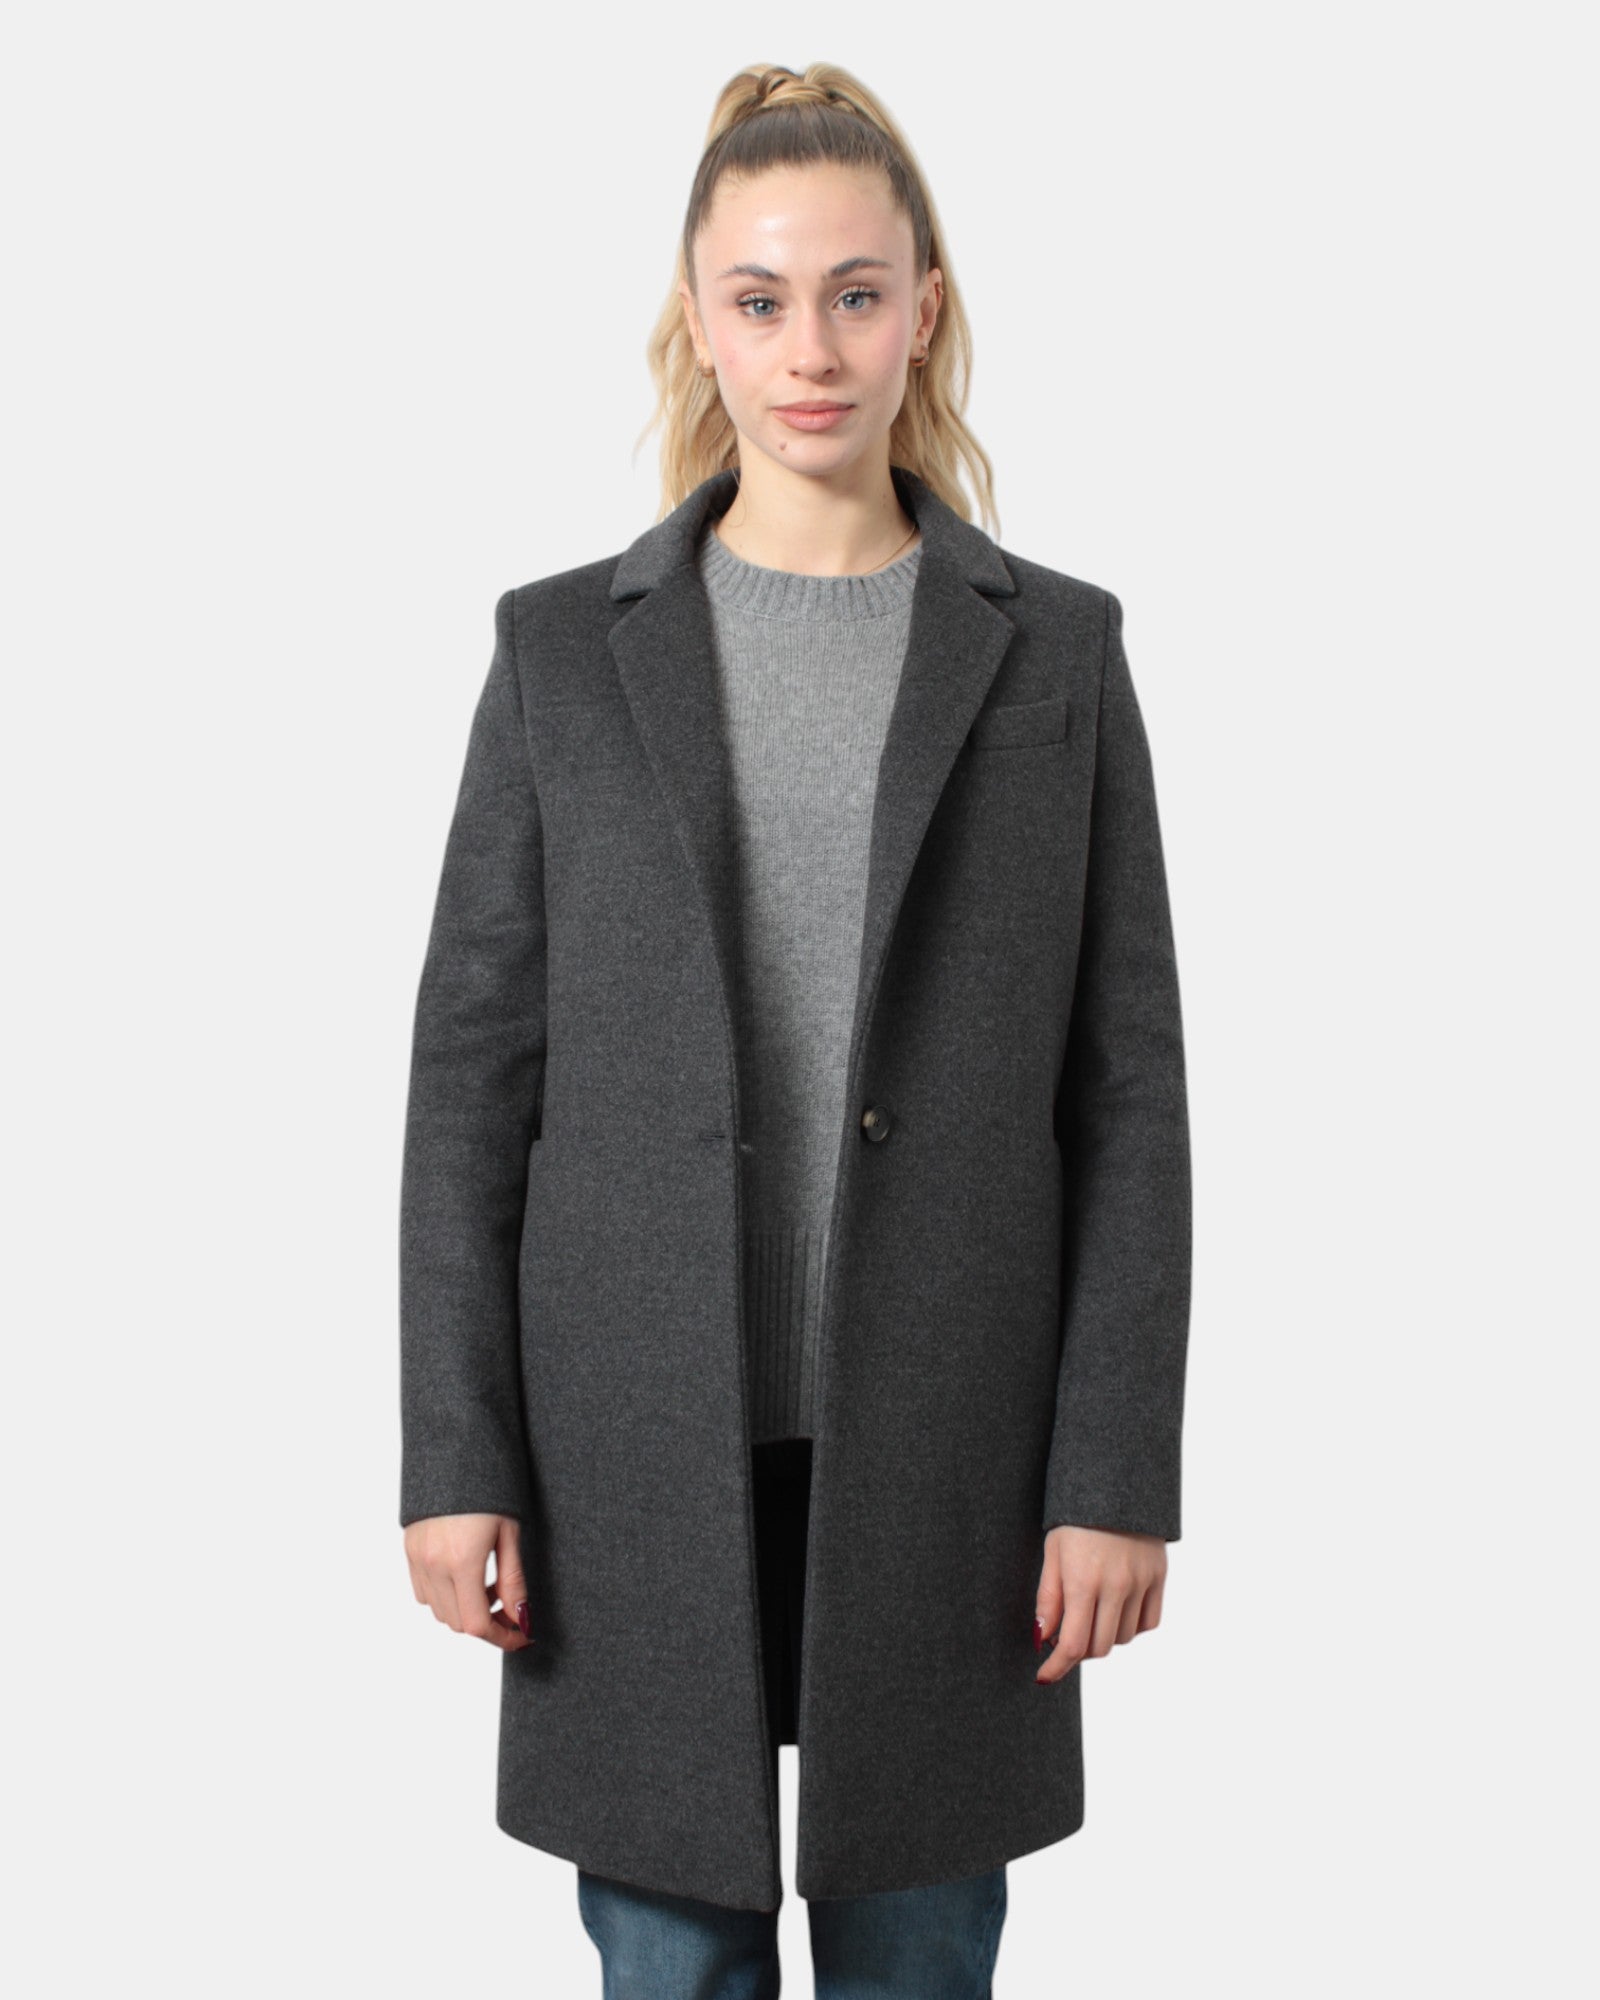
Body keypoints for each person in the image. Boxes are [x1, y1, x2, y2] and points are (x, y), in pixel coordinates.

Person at [399, 60, 1192, 2000]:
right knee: (668, 1963)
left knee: (918, 1958)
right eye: (759, 299)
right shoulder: (562, 651)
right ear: (696, 317)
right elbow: (472, 1085)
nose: (810, 349)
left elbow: (1127, 1091)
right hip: (629, 1442)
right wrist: (452, 1451)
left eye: (854, 293)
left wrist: (1112, 1468)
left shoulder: (1054, 652)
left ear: (924, 307)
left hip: (949, 1444)